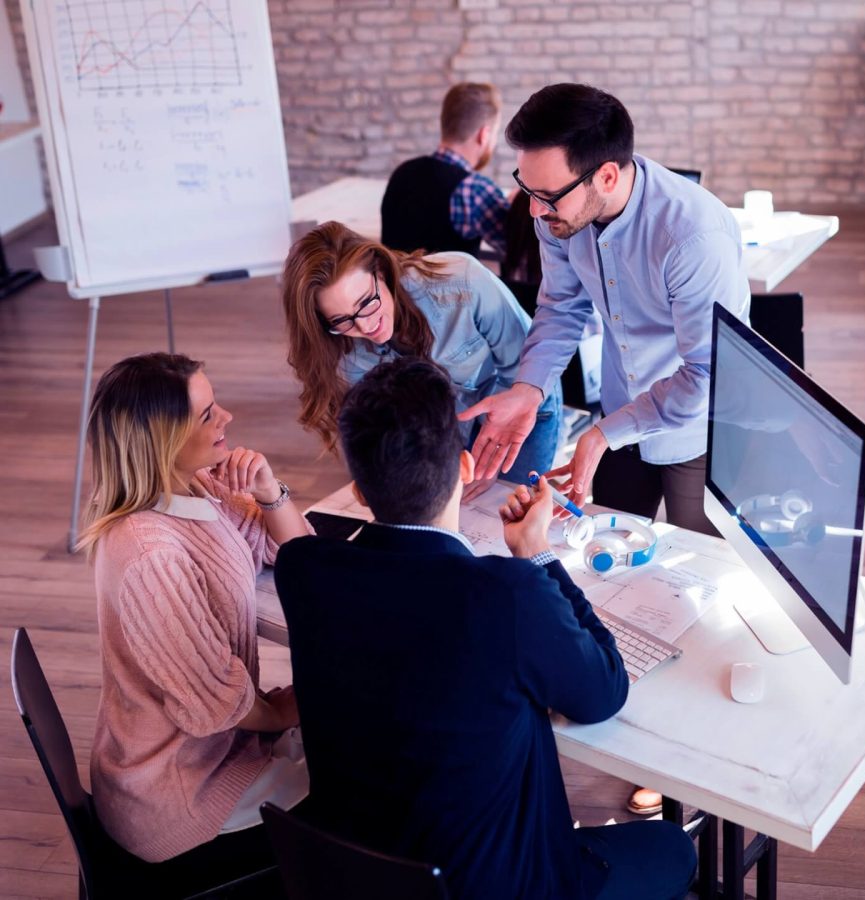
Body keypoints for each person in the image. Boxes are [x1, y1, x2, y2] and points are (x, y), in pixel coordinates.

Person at [273, 358, 697, 900]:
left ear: (358, 489)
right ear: (467, 467)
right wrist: (537, 556)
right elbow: (603, 693)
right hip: (501, 886)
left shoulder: (304, 569)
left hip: (358, 874)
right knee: (672, 848)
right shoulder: (505, 592)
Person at [461, 82, 750, 541]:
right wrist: (529, 387)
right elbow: (561, 306)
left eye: (548, 195)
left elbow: (706, 377)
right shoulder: (557, 213)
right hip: (618, 409)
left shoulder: (693, 238)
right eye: (526, 189)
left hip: (698, 426)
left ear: (607, 177)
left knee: (699, 566)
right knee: (605, 552)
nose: (534, 210)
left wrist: (601, 434)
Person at [77, 353, 309, 887]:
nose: (225, 417)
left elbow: (298, 554)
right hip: (179, 795)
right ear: (162, 440)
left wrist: (270, 492)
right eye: (206, 415)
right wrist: (289, 709)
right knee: (363, 782)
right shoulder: (148, 554)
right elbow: (216, 701)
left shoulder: (196, 486)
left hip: (217, 750)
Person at [281, 221, 562, 498]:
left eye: (367, 302)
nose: (365, 327)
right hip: (441, 428)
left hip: (521, 406)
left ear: (380, 271)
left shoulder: (462, 283)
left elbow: (527, 367)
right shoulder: (340, 349)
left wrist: (491, 453)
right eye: (341, 320)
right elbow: (380, 426)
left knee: (511, 510)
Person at [380, 82, 510, 256]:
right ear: (484, 135)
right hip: (452, 284)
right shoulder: (475, 189)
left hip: (393, 283)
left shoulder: (401, 173)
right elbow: (521, 250)